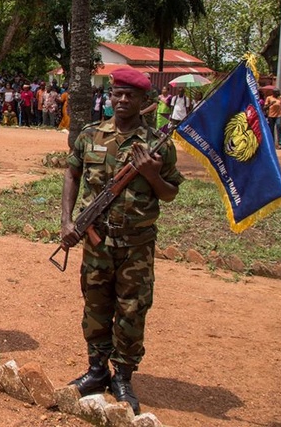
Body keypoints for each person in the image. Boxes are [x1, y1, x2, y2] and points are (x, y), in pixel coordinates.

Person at [61, 67, 183, 415]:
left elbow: (170, 193)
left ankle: (123, 377)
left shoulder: (158, 145)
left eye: (131, 95)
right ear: (110, 96)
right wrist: (67, 220)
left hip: (136, 245)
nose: (123, 99)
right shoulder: (90, 134)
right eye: (118, 93)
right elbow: (72, 173)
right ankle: (97, 370)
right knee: (96, 305)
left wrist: (152, 174)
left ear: (144, 101)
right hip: (97, 244)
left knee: (132, 310)